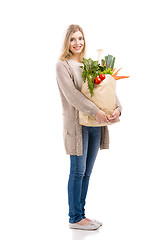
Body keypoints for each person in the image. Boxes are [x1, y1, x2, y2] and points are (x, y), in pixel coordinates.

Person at [56, 24, 122, 230]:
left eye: (80, 38)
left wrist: (117, 108)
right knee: (77, 171)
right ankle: (74, 217)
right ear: (67, 42)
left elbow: (105, 88)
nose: (77, 43)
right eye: (73, 39)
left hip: (95, 124)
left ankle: (81, 215)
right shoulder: (62, 65)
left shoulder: (89, 64)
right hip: (77, 125)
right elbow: (73, 95)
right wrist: (96, 111)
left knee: (86, 172)